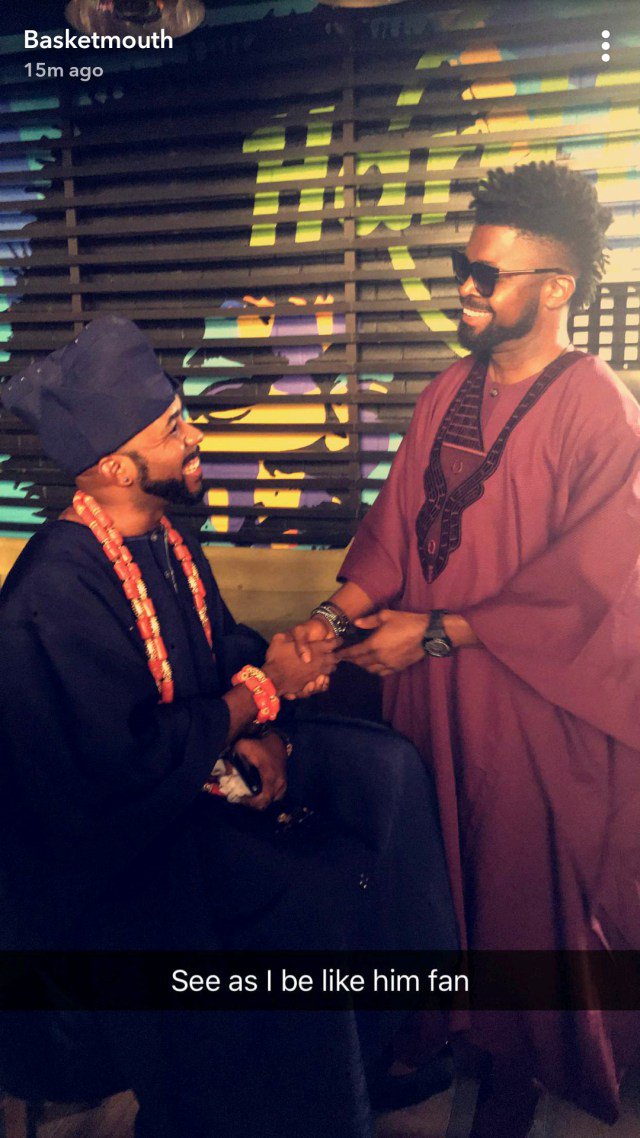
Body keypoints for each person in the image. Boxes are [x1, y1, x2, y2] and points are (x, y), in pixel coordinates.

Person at [0, 316, 457, 1138]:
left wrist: (274, 701)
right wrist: (254, 707)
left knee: (383, 770)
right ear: (117, 467)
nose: (196, 435)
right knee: (306, 898)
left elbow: (216, 651)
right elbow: (117, 768)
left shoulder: (165, 539)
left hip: (195, 767)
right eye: (173, 428)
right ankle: (309, 1107)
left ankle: (388, 1041)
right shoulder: (51, 594)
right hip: (121, 844)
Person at [288, 161, 640, 1136]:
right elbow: (393, 533)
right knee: (430, 873)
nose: (466, 290)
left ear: (556, 287)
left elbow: (593, 583)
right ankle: (440, 1030)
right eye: (463, 268)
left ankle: (512, 1071)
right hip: (425, 699)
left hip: (528, 708)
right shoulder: (447, 389)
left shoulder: (601, 410)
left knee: (519, 895)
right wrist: (329, 622)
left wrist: (439, 631)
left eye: (487, 275)